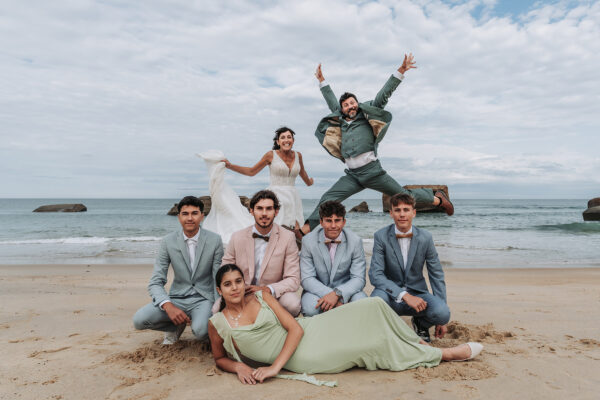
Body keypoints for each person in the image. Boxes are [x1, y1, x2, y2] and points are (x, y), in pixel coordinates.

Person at [208, 264, 483, 385]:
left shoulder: (262, 296)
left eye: (238, 281)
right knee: (372, 344)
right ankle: (442, 354)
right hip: (302, 355)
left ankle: (416, 343)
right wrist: (241, 366)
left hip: (308, 332)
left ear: (245, 282)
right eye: (227, 284)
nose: (234, 288)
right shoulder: (217, 322)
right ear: (219, 290)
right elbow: (219, 357)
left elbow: (296, 327)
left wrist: (273, 369)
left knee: (372, 304)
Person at [301, 54, 454, 234]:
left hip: (373, 172)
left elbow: (384, 94)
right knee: (328, 198)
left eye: (352, 103)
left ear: (357, 104)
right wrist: (321, 81)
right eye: (345, 105)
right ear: (342, 109)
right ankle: (303, 231)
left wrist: (401, 71)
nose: (350, 106)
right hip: (352, 176)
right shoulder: (340, 120)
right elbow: (330, 100)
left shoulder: (366, 115)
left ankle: (437, 198)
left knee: (405, 198)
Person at [133, 196, 223, 344]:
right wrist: (168, 305)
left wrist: (217, 309)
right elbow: (156, 282)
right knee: (139, 321)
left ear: (202, 216)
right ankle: (176, 325)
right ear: (178, 217)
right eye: (185, 214)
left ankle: (201, 325)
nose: (190, 218)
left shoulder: (215, 240)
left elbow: (217, 277)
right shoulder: (168, 242)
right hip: (177, 298)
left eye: (194, 213)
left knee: (200, 332)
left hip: (203, 299)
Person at [369, 193, 450, 343]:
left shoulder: (425, 237)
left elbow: (436, 274)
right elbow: (376, 275)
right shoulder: (381, 236)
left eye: (406, 210)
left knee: (443, 313)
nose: (402, 214)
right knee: (375, 302)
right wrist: (404, 295)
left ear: (414, 212)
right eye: (397, 210)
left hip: (418, 293)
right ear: (391, 213)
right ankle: (391, 332)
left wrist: (441, 317)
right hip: (389, 294)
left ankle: (420, 323)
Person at [217, 190, 301, 316]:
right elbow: (224, 270)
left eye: (269, 209)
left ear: (276, 212)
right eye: (259, 208)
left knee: (293, 304)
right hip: (242, 292)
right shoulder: (237, 237)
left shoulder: (288, 237)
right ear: (251, 211)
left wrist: (268, 289)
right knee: (215, 309)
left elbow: (293, 278)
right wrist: (239, 288)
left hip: (274, 293)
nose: (264, 213)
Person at [221, 127, 313, 237]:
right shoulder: (271, 155)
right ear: (278, 142)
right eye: (282, 137)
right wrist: (230, 166)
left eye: (289, 137)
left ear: (293, 141)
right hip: (276, 195)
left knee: (296, 231)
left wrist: (310, 182)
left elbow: (303, 173)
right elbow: (251, 171)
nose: (286, 140)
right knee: (275, 229)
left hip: (293, 197)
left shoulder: (298, 155)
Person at [299, 201, 366, 316]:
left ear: (344, 222)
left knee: (362, 304)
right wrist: (330, 295)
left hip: (347, 291)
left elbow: (359, 278)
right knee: (310, 308)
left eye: (337, 220)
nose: (333, 226)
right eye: (329, 221)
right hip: (316, 291)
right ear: (321, 222)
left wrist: (337, 294)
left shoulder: (355, 241)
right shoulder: (308, 241)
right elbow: (307, 278)